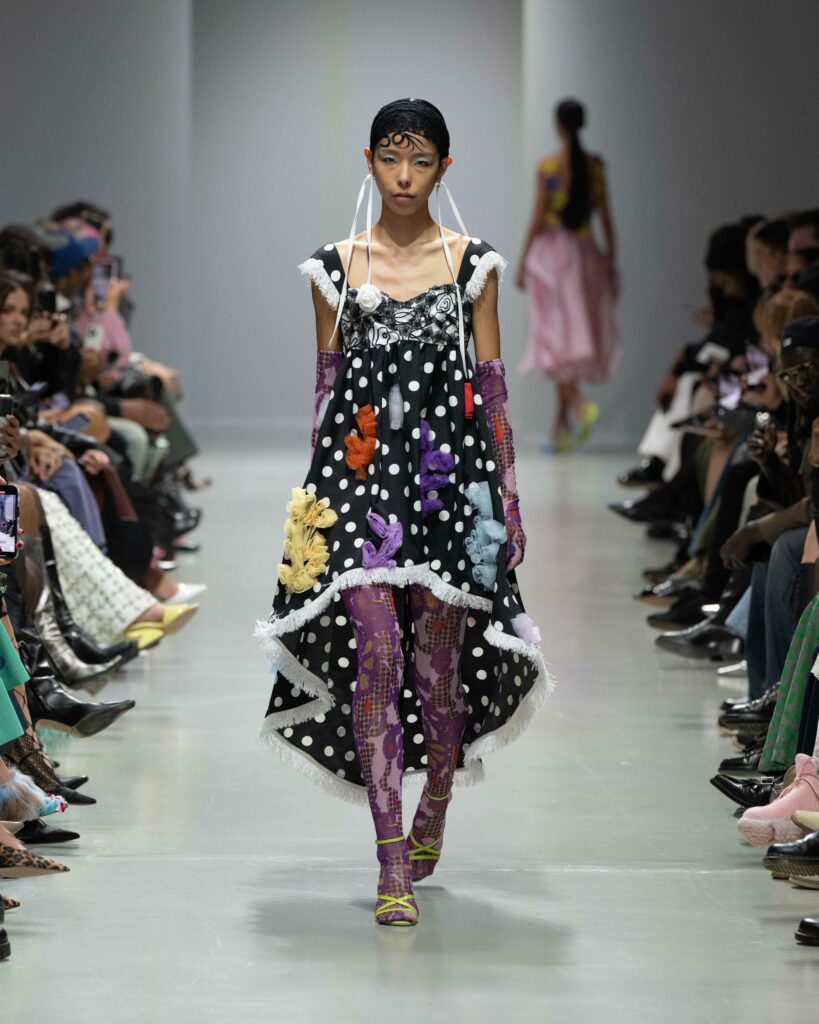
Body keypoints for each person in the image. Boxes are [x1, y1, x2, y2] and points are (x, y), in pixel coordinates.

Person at [257, 98, 551, 928]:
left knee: (437, 668)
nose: (403, 176)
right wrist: (310, 501)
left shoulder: (473, 267)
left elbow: (491, 390)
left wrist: (508, 499)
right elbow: (326, 389)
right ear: (369, 161)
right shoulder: (332, 267)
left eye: (419, 161)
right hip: (354, 486)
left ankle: (439, 795)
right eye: (390, 158)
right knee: (378, 656)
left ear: (443, 169)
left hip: (444, 488)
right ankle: (391, 860)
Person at [516, 98, 620, 449]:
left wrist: (522, 261)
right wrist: (610, 262)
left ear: (557, 125)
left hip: (554, 259)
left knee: (554, 340)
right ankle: (559, 430)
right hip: (588, 256)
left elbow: (537, 218)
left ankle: (579, 404)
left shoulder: (549, 167)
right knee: (569, 339)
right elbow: (606, 219)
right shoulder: (595, 167)